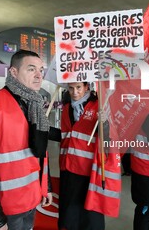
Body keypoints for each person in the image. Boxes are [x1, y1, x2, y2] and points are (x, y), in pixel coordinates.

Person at [0, 49, 54, 230]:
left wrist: (46, 187)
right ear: (13, 72)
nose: (39, 76)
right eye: (31, 69)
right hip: (6, 208)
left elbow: (40, 152)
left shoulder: (35, 106)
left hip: (31, 199)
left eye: (41, 70)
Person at [58, 82, 118, 230]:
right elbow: (65, 135)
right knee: (70, 213)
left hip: (89, 171)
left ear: (87, 87)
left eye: (78, 87)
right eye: (71, 88)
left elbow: (108, 137)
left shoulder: (100, 106)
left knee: (89, 214)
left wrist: (104, 123)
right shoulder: (66, 108)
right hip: (69, 168)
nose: (75, 92)